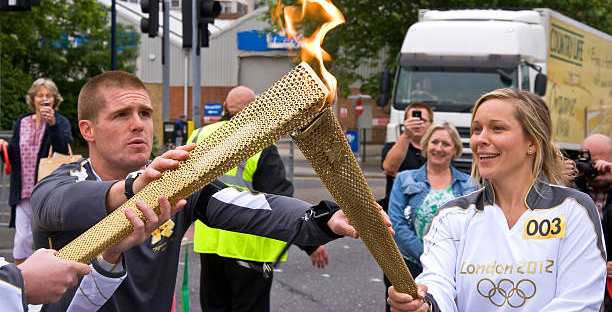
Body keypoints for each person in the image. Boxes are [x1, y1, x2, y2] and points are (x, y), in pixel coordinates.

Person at [31, 71, 377, 312]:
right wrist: (132, 188)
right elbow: (52, 206)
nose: (138, 123)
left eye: (145, 112)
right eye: (121, 114)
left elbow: (252, 204)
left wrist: (325, 218)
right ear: (87, 130)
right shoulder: (61, 182)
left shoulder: (177, 183)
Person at [387, 88, 606, 311]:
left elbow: (579, 301)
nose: (480, 139)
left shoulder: (573, 210)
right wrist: (424, 303)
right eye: (476, 129)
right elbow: (437, 282)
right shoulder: (451, 215)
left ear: (532, 141)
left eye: (497, 128)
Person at [188, 85, 329, 312]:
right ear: (255, 109)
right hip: (249, 246)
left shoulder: (199, 135)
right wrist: (310, 243)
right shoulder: (260, 141)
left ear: (225, 107)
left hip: (210, 243)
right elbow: (281, 200)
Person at [1, 196, 176, 311]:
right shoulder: (62, 181)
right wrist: (22, 282)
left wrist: (110, 255)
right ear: (88, 136)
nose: (138, 136)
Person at [388, 121, 475, 279]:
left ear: (455, 149)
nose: (439, 148)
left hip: (454, 268)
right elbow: (396, 224)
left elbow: (475, 228)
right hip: (412, 265)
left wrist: (449, 261)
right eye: (434, 142)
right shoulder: (404, 179)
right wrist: (427, 257)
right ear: (425, 146)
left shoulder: (470, 184)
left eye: (446, 144)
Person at [6, 78, 73, 264]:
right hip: (23, 189)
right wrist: (4, 148)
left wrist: (52, 125)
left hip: (49, 190)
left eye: (48, 95)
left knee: (49, 238)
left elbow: (63, 147)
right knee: (22, 239)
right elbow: (13, 153)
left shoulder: (60, 122)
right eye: (40, 95)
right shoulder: (22, 122)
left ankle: (53, 278)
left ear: (54, 100)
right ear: (33, 99)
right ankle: (23, 280)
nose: (44, 99)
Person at [380, 102, 433, 310]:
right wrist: (406, 136)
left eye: (422, 119)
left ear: (431, 124)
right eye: (411, 119)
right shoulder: (394, 146)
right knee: (398, 291)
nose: (417, 123)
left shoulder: (438, 148)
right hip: (397, 228)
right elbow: (389, 167)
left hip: (426, 232)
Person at [574, 134, 612, 311]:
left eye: (601, 163)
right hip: (582, 283)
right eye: (590, 163)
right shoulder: (571, 192)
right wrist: (560, 179)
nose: (596, 169)